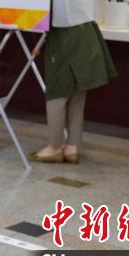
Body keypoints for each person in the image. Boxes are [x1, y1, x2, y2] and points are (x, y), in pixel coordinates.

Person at [30, 21, 116, 164]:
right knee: (77, 92)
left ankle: (54, 147)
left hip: (63, 34)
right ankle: (72, 148)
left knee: (57, 91)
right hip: (86, 31)